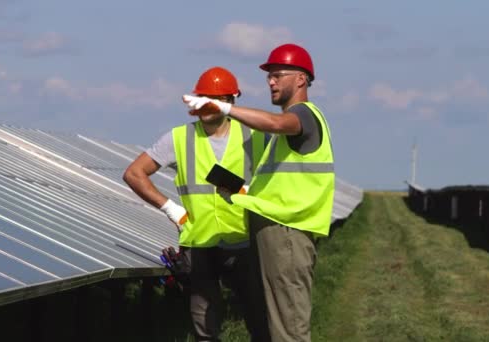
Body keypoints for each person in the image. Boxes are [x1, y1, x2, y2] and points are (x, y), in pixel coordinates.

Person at [183, 43, 335, 342]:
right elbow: (281, 186)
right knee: (278, 322)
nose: (271, 81)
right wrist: (240, 192)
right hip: (278, 232)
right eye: (269, 76)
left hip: (287, 233)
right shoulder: (293, 127)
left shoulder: (302, 115)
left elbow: (277, 123)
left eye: (278, 75)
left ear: (301, 79)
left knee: (288, 327)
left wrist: (223, 108)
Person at [123, 66, 266, 341]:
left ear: (231, 101)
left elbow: (278, 184)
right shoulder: (179, 138)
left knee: (260, 319)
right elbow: (133, 173)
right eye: (203, 99)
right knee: (204, 328)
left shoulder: (256, 137)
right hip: (198, 244)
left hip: (245, 240)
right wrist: (171, 209)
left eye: (215, 99)